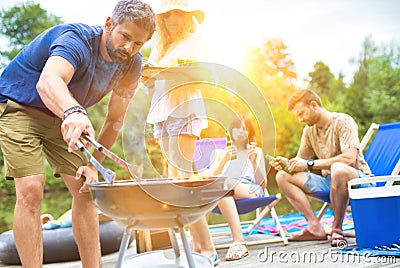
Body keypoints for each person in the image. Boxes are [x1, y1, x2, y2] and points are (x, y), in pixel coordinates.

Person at [0, 1, 155, 267]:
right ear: (109, 24)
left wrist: (95, 165)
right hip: (19, 106)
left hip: (63, 116)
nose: (129, 48)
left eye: (138, 43)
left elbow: (115, 120)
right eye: (125, 37)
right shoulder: (77, 40)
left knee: (86, 189)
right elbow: (49, 81)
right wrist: (73, 111)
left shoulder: (131, 64)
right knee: (31, 190)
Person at [142, 0, 218, 264]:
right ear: (161, 19)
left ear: (186, 17)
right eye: (168, 14)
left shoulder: (194, 41)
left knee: (186, 179)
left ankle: (208, 248)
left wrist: (167, 72)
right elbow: (150, 80)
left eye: (178, 13)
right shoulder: (159, 46)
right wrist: (148, 75)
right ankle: (195, 248)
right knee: (175, 180)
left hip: (185, 110)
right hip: (162, 113)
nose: (173, 19)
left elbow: (199, 74)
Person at [270, 89, 371, 247]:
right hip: (330, 184)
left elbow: (349, 159)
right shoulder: (309, 131)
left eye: (302, 113)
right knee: (282, 176)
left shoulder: (343, 121)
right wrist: (287, 164)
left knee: (339, 167)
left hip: (359, 184)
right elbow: (300, 163)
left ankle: (337, 229)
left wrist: (310, 164)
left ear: (314, 105)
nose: (300, 119)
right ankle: (314, 227)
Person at [200, 115, 266, 261]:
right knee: (212, 187)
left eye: (245, 129)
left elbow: (263, 185)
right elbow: (210, 176)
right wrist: (224, 161)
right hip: (223, 191)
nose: (241, 131)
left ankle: (238, 241)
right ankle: (203, 242)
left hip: (250, 189)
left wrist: (254, 163)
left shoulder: (256, 151)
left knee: (220, 184)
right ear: (231, 131)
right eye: (238, 128)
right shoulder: (220, 153)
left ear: (250, 132)